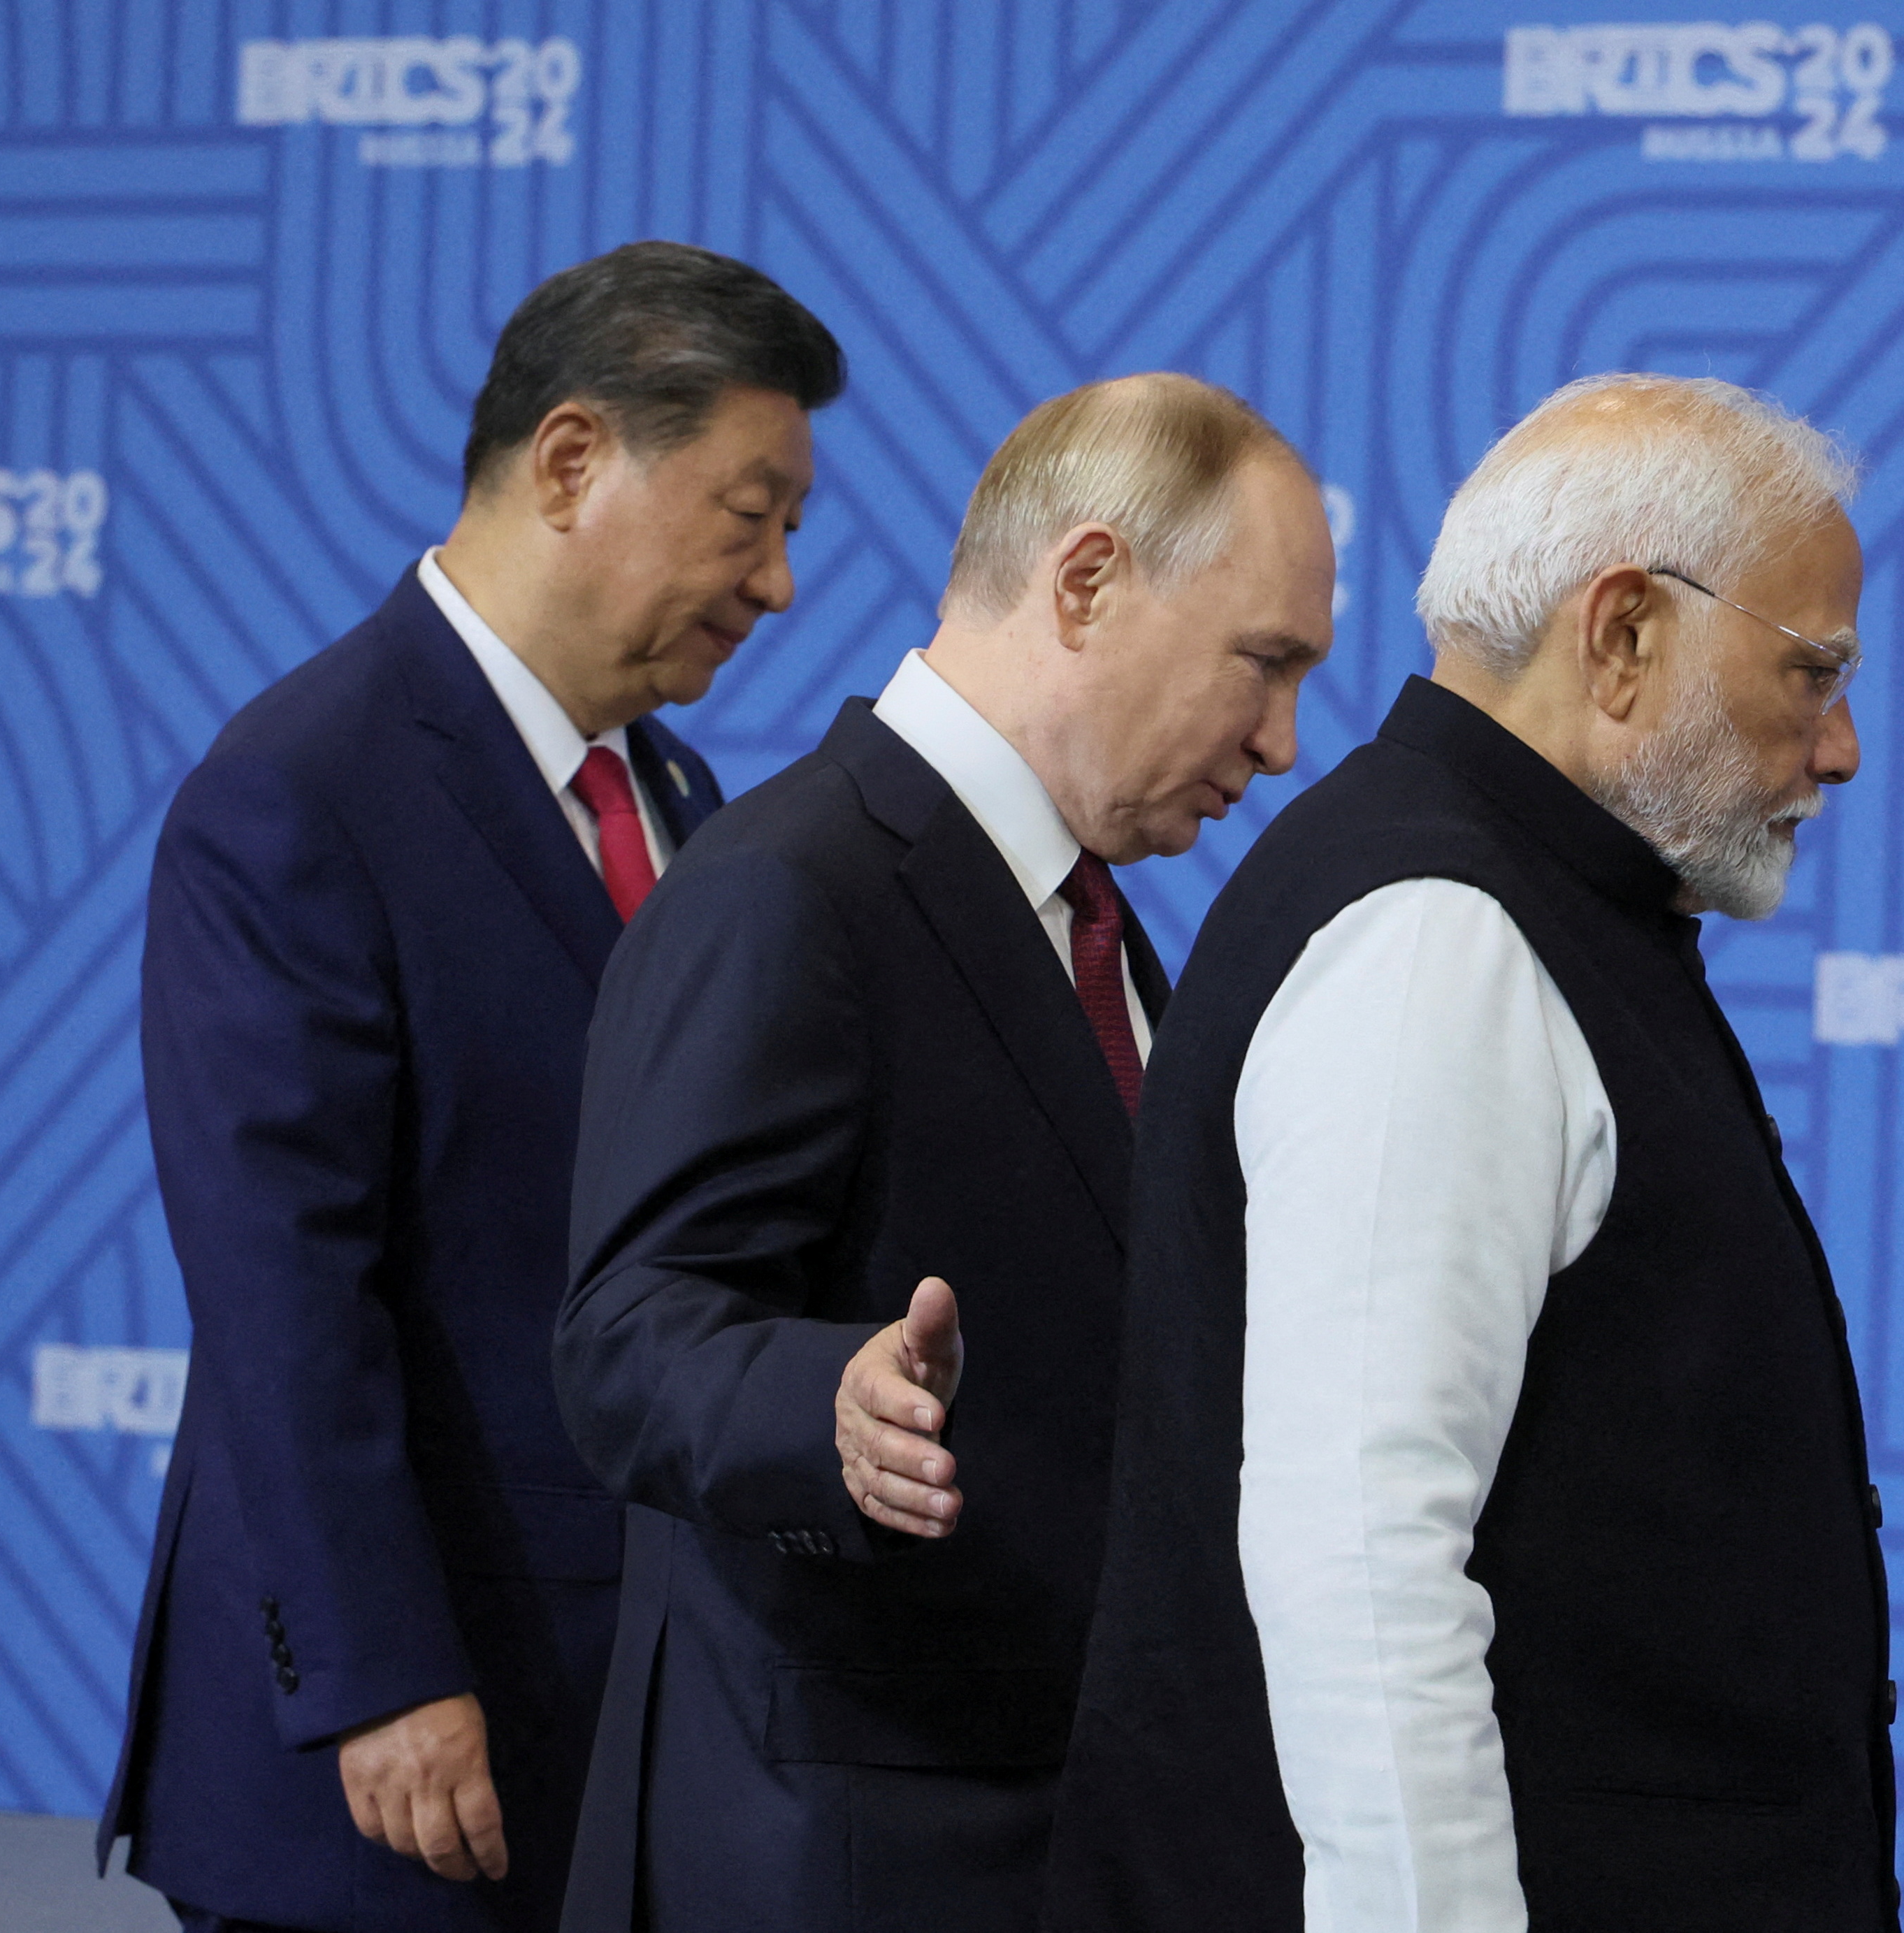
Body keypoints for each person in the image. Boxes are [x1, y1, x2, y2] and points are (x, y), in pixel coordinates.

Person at [1046, 373, 1900, 1932]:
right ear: (1625, 631)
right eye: (1812, 673)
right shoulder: (1438, 936)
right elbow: (1365, 1568)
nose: (1837, 746)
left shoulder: (1529, 904)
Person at [96, 242, 844, 1933]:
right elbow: (286, 1291)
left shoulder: (680, 786)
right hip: (409, 1742)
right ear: (574, 460)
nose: (780, 582)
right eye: (750, 514)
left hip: (632, 1716)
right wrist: (378, 1681)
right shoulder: (299, 789)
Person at [551, 373, 1336, 1933]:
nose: (1283, 742)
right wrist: (819, 1401)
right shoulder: (788, 888)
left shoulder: (1096, 926)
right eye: (1262, 665)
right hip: (849, 1858)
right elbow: (627, 1338)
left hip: (1070, 1837)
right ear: (1088, 583)